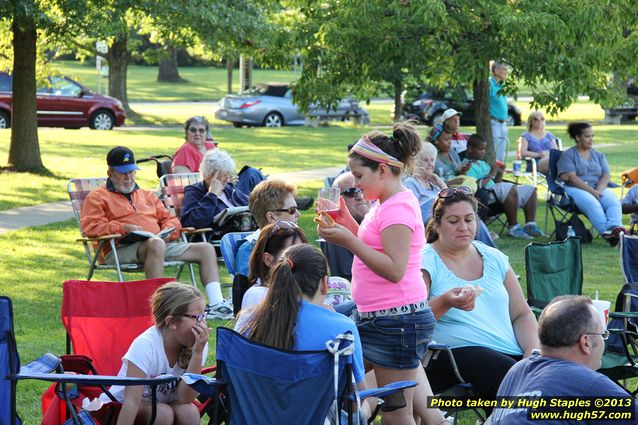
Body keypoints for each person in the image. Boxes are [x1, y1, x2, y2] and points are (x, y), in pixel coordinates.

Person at [318, 122, 446, 425]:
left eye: (360, 176)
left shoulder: (396, 209)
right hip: (382, 319)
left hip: (396, 321)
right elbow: (372, 242)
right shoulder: (383, 203)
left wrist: (348, 241)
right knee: (360, 382)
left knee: (396, 408)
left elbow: (394, 269)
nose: (356, 184)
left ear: (383, 171)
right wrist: (347, 221)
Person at [421, 187, 539, 416]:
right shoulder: (426, 261)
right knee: (530, 390)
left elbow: (521, 314)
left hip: (509, 355)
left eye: (469, 219)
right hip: (452, 358)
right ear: (436, 224)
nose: (463, 227)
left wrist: (531, 353)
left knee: (552, 375)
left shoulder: (493, 257)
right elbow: (413, 319)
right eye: (453, 221)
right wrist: (445, 301)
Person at [80, 147, 231, 320]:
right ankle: (160, 308)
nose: (129, 177)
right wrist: (123, 228)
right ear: (110, 173)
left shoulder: (146, 195)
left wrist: (168, 232)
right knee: (156, 244)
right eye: (123, 173)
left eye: (131, 172)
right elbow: (91, 227)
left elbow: (171, 220)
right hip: (119, 248)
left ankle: (217, 304)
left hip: (157, 243)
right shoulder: (98, 196)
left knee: (205, 248)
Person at [235, 244, 372, 421]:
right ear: (324, 284)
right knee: (371, 389)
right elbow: (355, 399)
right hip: (318, 419)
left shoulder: (248, 321)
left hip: (258, 418)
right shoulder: (342, 328)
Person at [490, 295, 637, 424]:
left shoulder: (517, 371)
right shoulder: (585, 382)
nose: (604, 340)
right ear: (585, 342)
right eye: (603, 334)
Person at [103, 282, 210, 425]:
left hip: (161, 405)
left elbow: (185, 398)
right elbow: (131, 402)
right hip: (118, 408)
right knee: (162, 413)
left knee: (189, 412)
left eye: (204, 315)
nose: (202, 324)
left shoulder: (198, 345)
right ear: (171, 322)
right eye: (196, 317)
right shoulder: (146, 345)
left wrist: (197, 353)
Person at [464, 134, 545, 239]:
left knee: (530, 189)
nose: (483, 152)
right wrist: (492, 174)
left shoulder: (483, 164)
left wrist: (500, 173)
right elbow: (476, 186)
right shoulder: (467, 166)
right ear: (470, 149)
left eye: (484, 149)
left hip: (495, 191)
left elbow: (496, 183)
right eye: (480, 149)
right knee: (508, 188)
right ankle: (513, 227)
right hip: (485, 194)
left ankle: (530, 225)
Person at [557, 122, 625, 246]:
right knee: (593, 203)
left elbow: (606, 175)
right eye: (587, 136)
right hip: (575, 188)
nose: (591, 139)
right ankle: (608, 233)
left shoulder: (598, 155)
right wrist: (592, 192)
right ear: (578, 137)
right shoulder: (569, 155)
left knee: (613, 202)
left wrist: (598, 189)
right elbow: (571, 178)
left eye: (592, 136)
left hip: (598, 187)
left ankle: (615, 228)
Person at [180, 149, 262, 237]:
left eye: (228, 175)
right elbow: (192, 221)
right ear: (210, 175)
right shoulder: (194, 192)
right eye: (224, 176)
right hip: (221, 237)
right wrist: (212, 194)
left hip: (247, 232)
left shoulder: (229, 189)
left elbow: (249, 203)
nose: (227, 179)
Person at [234, 179, 300, 278]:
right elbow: (247, 288)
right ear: (272, 217)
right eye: (292, 210)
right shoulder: (249, 251)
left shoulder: (295, 241)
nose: (298, 214)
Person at [242, 220, 308, 309]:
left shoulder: (299, 291)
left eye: (304, 252)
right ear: (268, 260)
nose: (302, 260)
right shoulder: (258, 296)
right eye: (293, 254)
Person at [321, 172, 372, 282]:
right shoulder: (336, 234)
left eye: (362, 189)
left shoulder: (379, 223)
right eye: (351, 192)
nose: (360, 196)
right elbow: (348, 280)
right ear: (337, 200)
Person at [429, 125, 476, 191]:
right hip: (441, 189)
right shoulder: (431, 157)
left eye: (450, 139)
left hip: (456, 186)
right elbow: (428, 181)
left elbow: (458, 174)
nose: (450, 142)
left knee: (471, 181)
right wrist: (449, 183)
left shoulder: (452, 153)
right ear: (436, 141)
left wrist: (463, 170)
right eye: (446, 139)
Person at [519, 111, 558, 175]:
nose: (539, 121)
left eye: (542, 119)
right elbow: (523, 153)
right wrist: (539, 154)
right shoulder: (526, 136)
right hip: (535, 163)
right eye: (536, 119)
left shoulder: (549, 135)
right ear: (531, 122)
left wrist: (548, 154)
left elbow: (556, 151)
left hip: (551, 160)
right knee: (555, 162)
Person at [490, 61, 510, 163]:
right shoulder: (490, 84)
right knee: (495, 151)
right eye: (505, 69)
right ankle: (492, 175)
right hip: (494, 123)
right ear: (496, 71)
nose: (507, 71)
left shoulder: (502, 86)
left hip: (503, 123)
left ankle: (499, 175)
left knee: (501, 154)